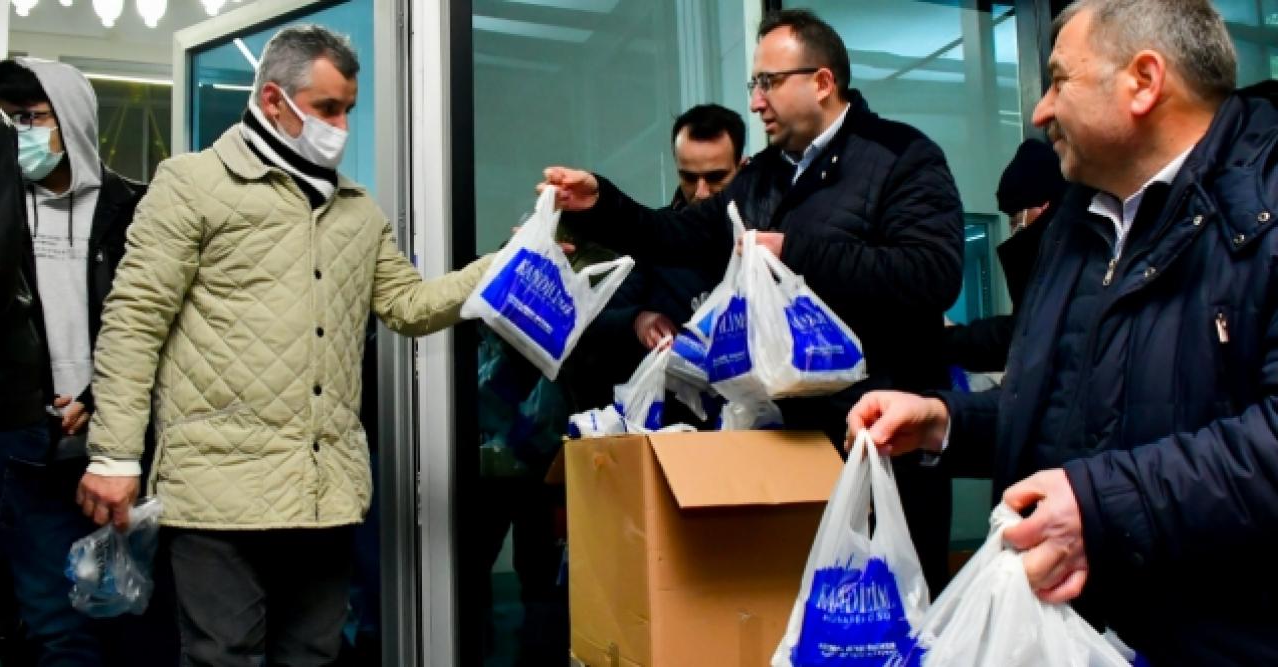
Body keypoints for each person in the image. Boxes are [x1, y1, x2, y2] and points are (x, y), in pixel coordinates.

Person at [848, 0, 1278, 662]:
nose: (1041, 111)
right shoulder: (1077, 226)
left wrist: (1099, 505)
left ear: (1143, 80)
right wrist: (944, 421)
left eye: (1058, 81)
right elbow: (1070, 411)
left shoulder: (1263, 210)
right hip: (1070, 635)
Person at [75, 25, 493, 666]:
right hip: (217, 489)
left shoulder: (357, 210)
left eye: (349, 109)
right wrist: (114, 456)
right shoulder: (192, 184)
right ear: (274, 101)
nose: (342, 126)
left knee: (312, 656)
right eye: (328, 108)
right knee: (225, 656)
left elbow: (407, 307)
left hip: (324, 493)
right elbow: (135, 320)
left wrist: (506, 267)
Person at [542, 9, 964, 592]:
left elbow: (934, 274)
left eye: (768, 83)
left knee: (882, 626)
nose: (757, 102)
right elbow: (679, 235)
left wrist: (797, 251)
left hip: (879, 450)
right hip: (782, 449)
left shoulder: (901, 156)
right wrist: (602, 203)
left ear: (821, 82)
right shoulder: (764, 175)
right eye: (754, 85)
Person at [0, 58, 148, 667]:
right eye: (10, 121)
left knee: (136, 616)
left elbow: (150, 326)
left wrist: (98, 396)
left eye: (32, 118)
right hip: (31, 444)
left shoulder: (135, 211)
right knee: (54, 622)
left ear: (73, 119)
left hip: (119, 444)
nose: (21, 135)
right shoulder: (6, 212)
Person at [568, 103, 747, 416]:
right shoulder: (655, 241)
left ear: (743, 169)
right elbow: (589, 325)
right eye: (689, 178)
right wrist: (637, 320)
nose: (701, 193)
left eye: (716, 177)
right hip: (671, 429)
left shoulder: (764, 246)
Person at [942, 138, 1066, 373]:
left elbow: (1026, 334)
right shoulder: (1063, 250)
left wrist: (949, 340)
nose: (1012, 230)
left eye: (1013, 218)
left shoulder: (1069, 258)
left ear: (1043, 207)